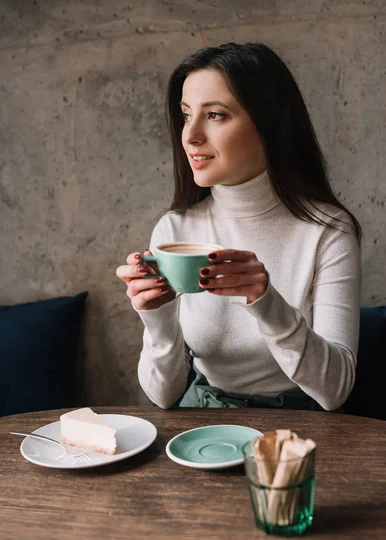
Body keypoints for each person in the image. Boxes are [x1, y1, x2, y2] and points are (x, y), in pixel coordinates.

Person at [116, 42, 361, 412]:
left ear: (269, 124)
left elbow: (335, 391)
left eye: (214, 115)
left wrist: (267, 304)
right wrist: (157, 319)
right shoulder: (174, 231)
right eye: (186, 115)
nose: (191, 135)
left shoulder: (328, 231)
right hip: (202, 430)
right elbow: (162, 396)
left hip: (301, 432)